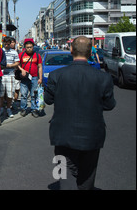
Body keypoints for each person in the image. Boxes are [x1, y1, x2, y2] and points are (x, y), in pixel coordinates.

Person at [44, 36, 116, 190]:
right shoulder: (103, 78)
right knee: (87, 176)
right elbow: (110, 105)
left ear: (71, 50)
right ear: (91, 52)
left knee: (64, 175)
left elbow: (48, 100)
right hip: (92, 134)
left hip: (62, 135)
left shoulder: (56, 75)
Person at [18, 38, 43, 118]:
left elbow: (40, 67)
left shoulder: (37, 55)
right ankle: (23, 109)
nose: (29, 49)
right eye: (27, 47)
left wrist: (40, 78)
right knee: (24, 95)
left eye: (30, 47)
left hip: (34, 78)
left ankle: (34, 109)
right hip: (24, 78)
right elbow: (17, 65)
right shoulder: (21, 55)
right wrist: (22, 70)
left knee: (33, 95)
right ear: (25, 47)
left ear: (33, 47)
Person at [0, 37, 19, 119]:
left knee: (10, 94)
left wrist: (10, 65)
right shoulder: (0, 51)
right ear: (3, 43)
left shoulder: (14, 52)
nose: (7, 45)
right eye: (5, 44)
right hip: (1, 75)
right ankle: (1, 108)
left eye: (8, 44)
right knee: (1, 93)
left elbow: (17, 62)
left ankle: (8, 109)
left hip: (10, 75)